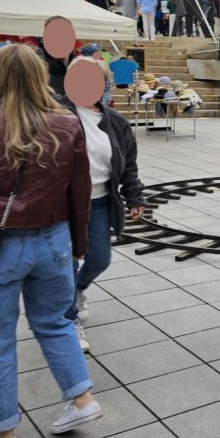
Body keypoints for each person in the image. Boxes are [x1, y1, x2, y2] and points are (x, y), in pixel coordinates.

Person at [0, 44, 101, 438]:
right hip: (53, 240)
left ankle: (3, 432)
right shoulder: (66, 125)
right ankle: (82, 401)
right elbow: (79, 193)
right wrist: (80, 245)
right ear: (40, 78)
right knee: (56, 322)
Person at [60, 58, 146, 352]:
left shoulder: (116, 121)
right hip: (64, 204)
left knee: (100, 259)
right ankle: (70, 319)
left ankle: (79, 289)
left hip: (99, 202)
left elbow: (128, 166)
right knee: (66, 265)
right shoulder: (58, 115)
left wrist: (134, 195)